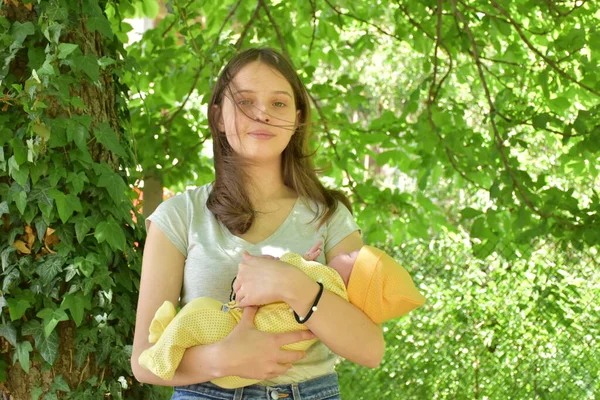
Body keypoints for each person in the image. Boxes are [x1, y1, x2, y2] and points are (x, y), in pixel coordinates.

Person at [131, 48, 386, 400]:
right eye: (245, 102)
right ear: (219, 116)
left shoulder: (329, 215)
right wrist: (222, 359)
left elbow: (370, 349)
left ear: (297, 118)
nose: (262, 114)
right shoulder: (179, 216)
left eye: (278, 104)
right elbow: (144, 362)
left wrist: (294, 285)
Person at [138, 244, 426, 388]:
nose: (344, 254)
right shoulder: (332, 292)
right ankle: (167, 336)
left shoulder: (331, 282)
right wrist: (220, 360)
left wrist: (294, 274)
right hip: (227, 375)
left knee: (197, 315)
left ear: (354, 281)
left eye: (351, 258)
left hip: (230, 331)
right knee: (196, 316)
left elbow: (371, 352)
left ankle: (164, 346)